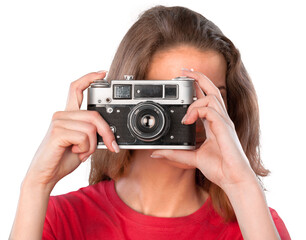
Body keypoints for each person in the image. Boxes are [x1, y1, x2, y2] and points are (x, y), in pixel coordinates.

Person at [10, 5, 290, 240]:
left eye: (204, 97)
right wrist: (36, 185)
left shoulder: (254, 223)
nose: (188, 114)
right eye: (166, 95)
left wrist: (241, 184)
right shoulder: (59, 218)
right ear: (122, 100)